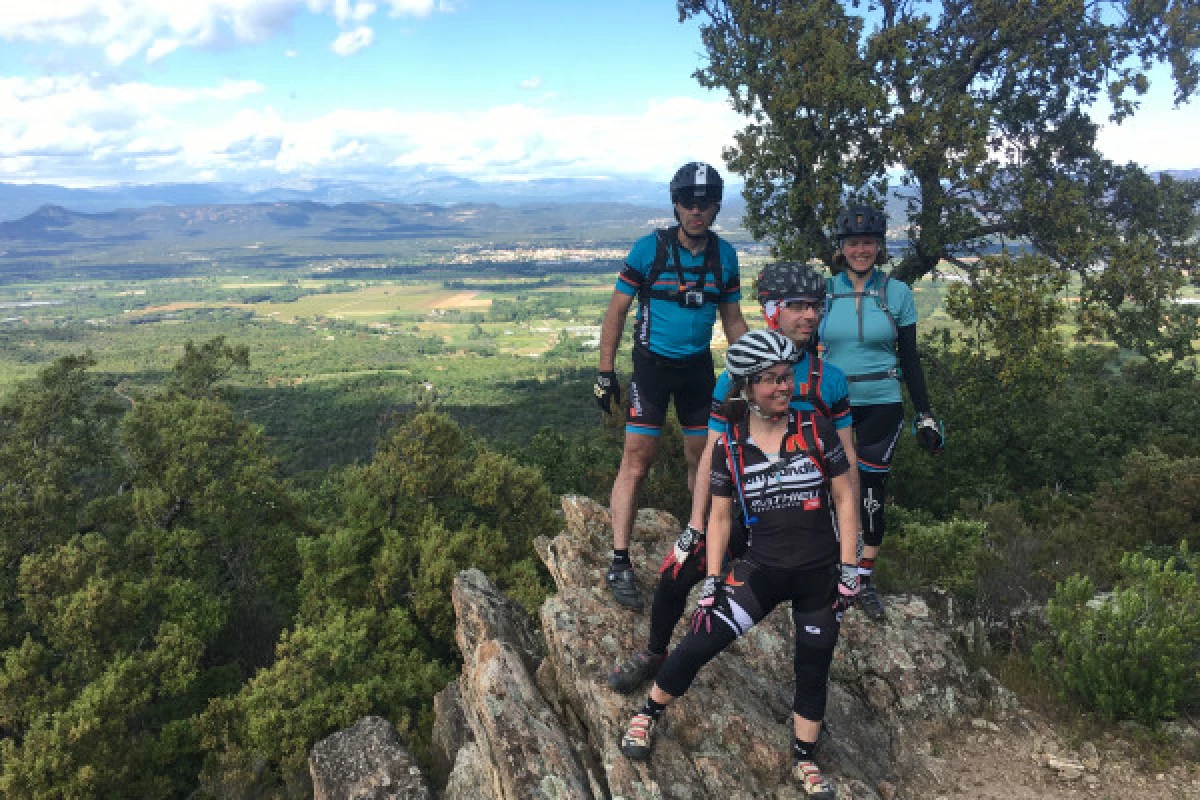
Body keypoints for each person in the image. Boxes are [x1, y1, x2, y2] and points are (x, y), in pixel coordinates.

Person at [617, 329, 860, 799]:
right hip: (761, 572)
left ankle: (805, 760)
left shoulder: (815, 429)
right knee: (697, 643)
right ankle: (649, 711)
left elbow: (845, 497)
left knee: (813, 666)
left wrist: (850, 567)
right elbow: (721, 518)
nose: (783, 387)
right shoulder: (730, 444)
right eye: (770, 380)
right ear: (747, 388)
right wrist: (711, 580)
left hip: (818, 575)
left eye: (786, 377)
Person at [607, 261, 857, 692]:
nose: (809, 316)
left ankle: (807, 710)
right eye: (797, 306)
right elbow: (711, 454)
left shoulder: (829, 381)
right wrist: (695, 524)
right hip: (743, 512)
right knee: (675, 573)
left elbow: (847, 462)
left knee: (813, 630)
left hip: (807, 525)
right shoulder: (736, 378)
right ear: (772, 310)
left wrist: (852, 553)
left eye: (816, 306)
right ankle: (654, 652)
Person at [594, 162, 748, 611]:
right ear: (676, 205)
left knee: (703, 457)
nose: (696, 211)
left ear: (717, 206)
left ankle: (696, 538)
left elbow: (733, 319)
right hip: (651, 369)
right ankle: (619, 559)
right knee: (637, 459)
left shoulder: (725, 257)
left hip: (698, 368)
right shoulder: (650, 250)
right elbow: (617, 310)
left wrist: (752, 373)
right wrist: (606, 373)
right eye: (688, 202)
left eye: (705, 203)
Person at [818, 205, 944, 622]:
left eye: (868, 242)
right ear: (841, 247)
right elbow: (802, 351)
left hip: (882, 404)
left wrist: (924, 413)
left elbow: (910, 358)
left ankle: (864, 577)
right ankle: (833, 571)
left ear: (880, 246)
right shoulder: (823, 292)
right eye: (853, 242)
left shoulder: (897, 293)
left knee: (870, 492)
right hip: (832, 404)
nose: (861, 249)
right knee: (827, 490)